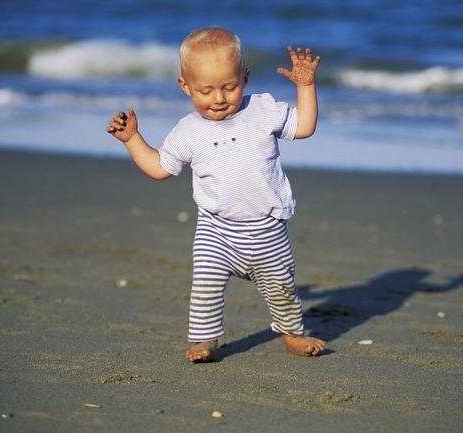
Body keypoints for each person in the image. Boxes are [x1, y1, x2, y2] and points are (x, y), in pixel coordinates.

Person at [106, 27, 325, 362]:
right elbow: (159, 168)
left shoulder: (263, 110)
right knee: (205, 287)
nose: (218, 98)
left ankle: (293, 335)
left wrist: (305, 87)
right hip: (216, 232)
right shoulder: (187, 131)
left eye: (229, 86)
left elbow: (305, 126)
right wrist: (133, 139)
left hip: (268, 229)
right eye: (205, 90)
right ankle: (206, 341)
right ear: (185, 86)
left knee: (283, 289)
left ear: (245, 78)